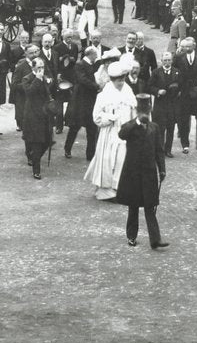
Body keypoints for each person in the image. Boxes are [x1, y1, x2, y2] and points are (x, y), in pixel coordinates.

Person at [116, 94, 169, 249]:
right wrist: (138, 122)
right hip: (133, 174)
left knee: (150, 207)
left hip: (149, 174)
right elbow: (121, 134)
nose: (145, 115)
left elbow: (159, 150)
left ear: (150, 110)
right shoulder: (130, 126)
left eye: (146, 112)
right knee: (133, 206)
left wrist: (162, 170)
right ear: (137, 112)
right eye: (141, 112)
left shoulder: (155, 128)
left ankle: (155, 240)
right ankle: (131, 236)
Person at [84, 62, 137, 200]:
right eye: (118, 80)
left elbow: (134, 109)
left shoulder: (128, 91)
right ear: (112, 80)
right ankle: (106, 191)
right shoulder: (103, 95)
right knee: (108, 160)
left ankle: (121, 189)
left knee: (123, 161)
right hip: (110, 133)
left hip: (126, 133)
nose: (121, 82)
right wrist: (111, 118)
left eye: (123, 79)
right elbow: (96, 117)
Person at [64, 46, 100, 160]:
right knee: (75, 126)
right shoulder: (80, 65)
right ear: (90, 54)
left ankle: (90, 154)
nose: (97, 57)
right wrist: (97, 87)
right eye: (95, 55)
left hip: (90, 101)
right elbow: (82, 79)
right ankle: (67, 148)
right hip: (80, 101)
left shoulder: (92, 65)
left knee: (91, 128)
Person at [21, 56, 54, 179]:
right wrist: (37, 79)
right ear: (33, 67)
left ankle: (33, 156)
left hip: (45, 114)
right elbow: (29, 93)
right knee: (37, 142)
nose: (41, 69)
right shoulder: (27, 79)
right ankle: (36, 170)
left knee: (47, 141)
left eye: (43, 67)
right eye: (39, 67)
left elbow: (47, 93)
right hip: (32, 115)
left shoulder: (44, 78)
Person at [174, 37, 197, 154]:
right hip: (184, 93)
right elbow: (175, 72)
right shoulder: (178, 58)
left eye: (189, 46)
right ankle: (185, 144)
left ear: (194, 46)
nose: (187, 49)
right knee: (184, 119)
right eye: (185, 47)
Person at [149, 50, 180, 158]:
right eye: (165, 60)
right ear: (161, 61)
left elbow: (181, 85)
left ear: (172, 61)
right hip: (160, 104)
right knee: (160, 128)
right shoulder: (156, 72)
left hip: (172, 104)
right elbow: (150, 86)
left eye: (169, 60)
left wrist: (177, 91)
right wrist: (157, 91)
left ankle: (168, 150)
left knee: (170, 128)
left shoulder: (177, 72)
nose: (167, 62)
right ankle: (160, 149)